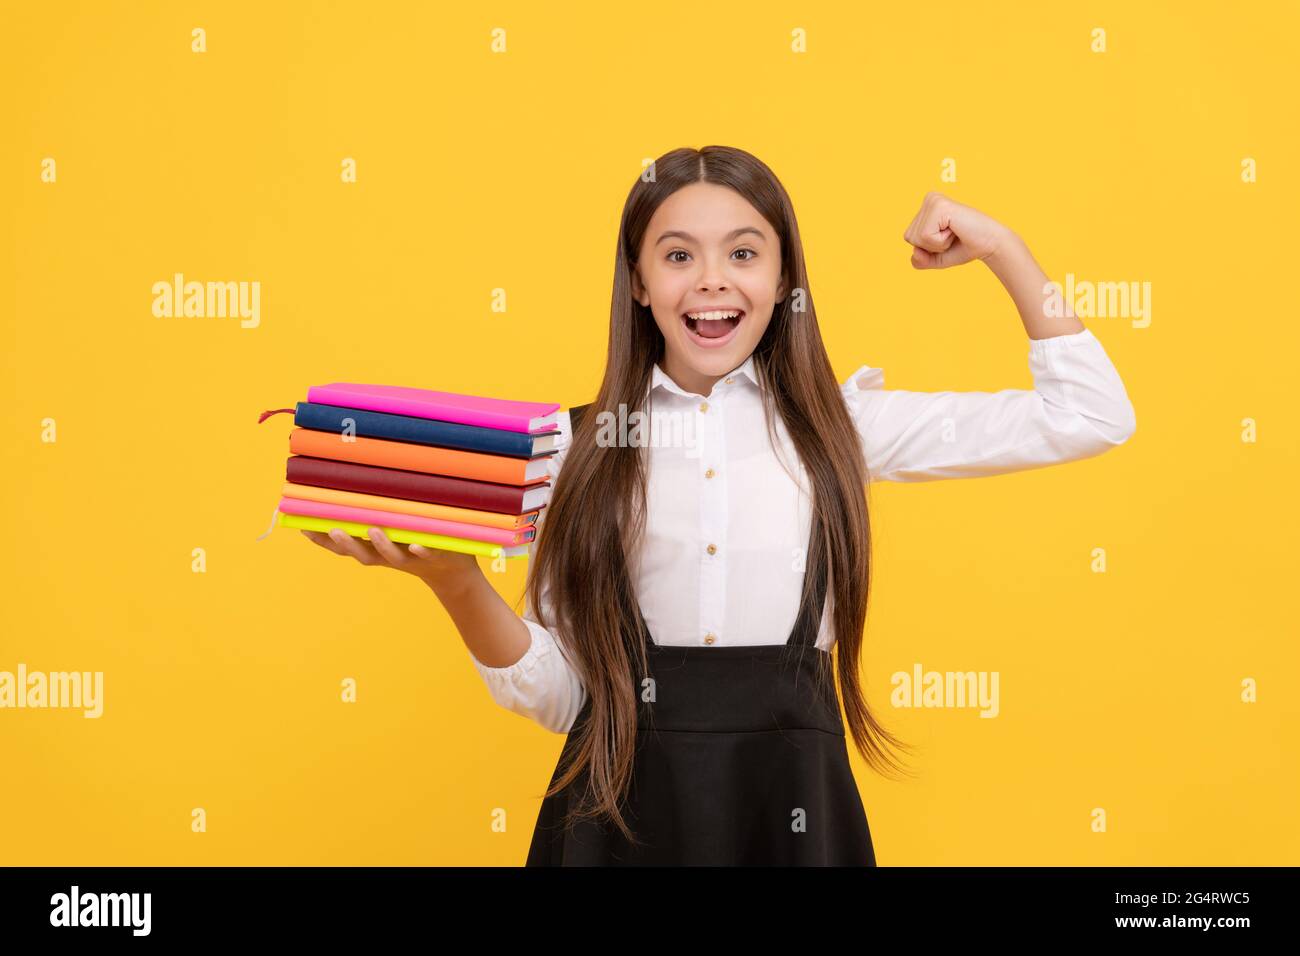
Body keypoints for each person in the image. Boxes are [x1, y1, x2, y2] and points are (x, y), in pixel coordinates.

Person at [302, 145, 1137, 866]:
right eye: (676, 256)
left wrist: (1000, 247)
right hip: (614, 824)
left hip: (792, 816)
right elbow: (564, 699)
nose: (711, 282)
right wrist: (453, 582)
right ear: (637, 280)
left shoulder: (844, 429)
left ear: (783, 278)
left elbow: (1091, 415)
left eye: (743, 253)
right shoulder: (569, 447)